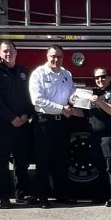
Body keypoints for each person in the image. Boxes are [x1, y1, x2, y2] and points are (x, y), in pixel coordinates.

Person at [0, 40, 34, 208]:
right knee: (2, 163)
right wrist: (11, 117)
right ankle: (4, 198)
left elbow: (31, 97)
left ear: (16, 52)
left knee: (22, 162)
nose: (8, 54)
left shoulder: (24, 72)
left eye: (11, 50)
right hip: (3, 126)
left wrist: (26, 115)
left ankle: (22, 194)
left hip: (22, 124)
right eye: (5, 51)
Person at [29, 44, 76, 208]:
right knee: (43, 160)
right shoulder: (39, 74)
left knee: (61, 160)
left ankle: (61, 194)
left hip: (62, 122)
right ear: (47, 56)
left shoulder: (66, 74)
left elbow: (72, 94)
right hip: (44, 122)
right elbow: (37, 100)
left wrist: (80, 100)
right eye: (53, 56)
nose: (56, 59)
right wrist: (61, 108)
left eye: (59, 57)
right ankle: (42, 196)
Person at [83, 67, 111, 207]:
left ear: (109, 78)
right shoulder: (94, 93)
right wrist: (69, 109)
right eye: (97, 78)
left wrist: (100, 102)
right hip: (95, 136)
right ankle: (103, 195)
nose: (100, 80)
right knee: (100, 167)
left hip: (110, 136)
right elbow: (85, 113)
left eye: (103, 77)